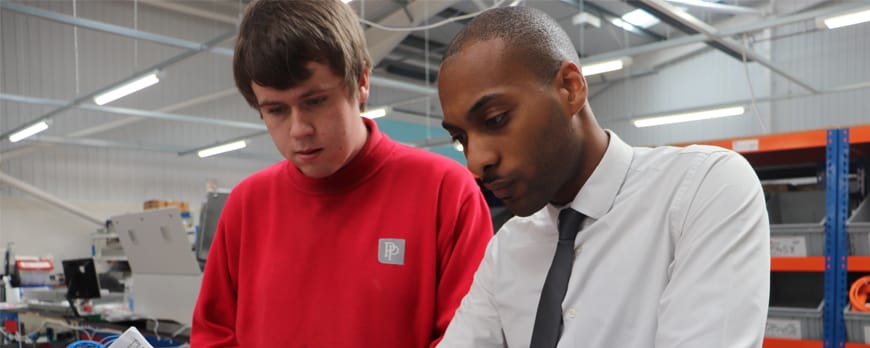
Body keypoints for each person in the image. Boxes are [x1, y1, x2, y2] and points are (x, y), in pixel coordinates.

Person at [436, 6, 769, 348]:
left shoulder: (704, 189)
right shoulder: (507, 249)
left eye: (495, 119)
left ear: (570, 88)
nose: (476, 163)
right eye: (461, 139)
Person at [190, 1, 494, 346]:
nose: (299, 129)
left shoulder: (445, 192)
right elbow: (213, 336)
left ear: (361, 81)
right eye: (276, 110)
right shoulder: (246, 206)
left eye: (315, 101)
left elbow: (469, 338)